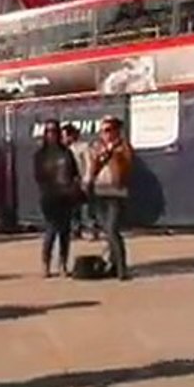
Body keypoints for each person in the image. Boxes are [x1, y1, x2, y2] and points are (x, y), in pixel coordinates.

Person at [34, 119, 81, 278]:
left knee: (65, 233)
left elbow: (74, 173)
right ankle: (45, 264)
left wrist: (72, 187)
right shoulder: (40, 155)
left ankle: (63, 264)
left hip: (66, 197)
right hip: (49, 197)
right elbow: (38, 176)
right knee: (51, 230)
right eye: (48, 131)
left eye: (54, 131)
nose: (51, 134)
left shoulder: (66, 152)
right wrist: (52, 187)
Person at [89, 116, 134, 280]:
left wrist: (112, 153)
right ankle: (112, 265)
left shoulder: (123, 147)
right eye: (102, 131)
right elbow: (93, 167)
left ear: (116, 131)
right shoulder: (97, 146)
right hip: (99, 191)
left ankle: (122, 268)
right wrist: (99, 156)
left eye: (108, 130)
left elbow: (127, 166)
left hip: (116, 192)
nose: (104, 134)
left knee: (113, 229)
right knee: (106, 231)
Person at [62, 123, 95, 240]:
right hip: (70, 183)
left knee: (85, 207)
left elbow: (89, 163)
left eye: (65, 136)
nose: (63, 139)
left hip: (83, 181)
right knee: (73, 208)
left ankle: (90, 229)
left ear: (72, 136)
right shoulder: (65, 150)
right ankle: (75, 229)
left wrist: (87, 179)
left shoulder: (84, 147)